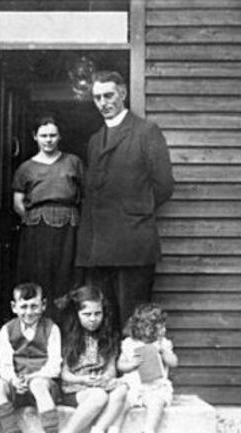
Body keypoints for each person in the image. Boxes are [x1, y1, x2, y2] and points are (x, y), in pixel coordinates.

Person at [75, 70, 175, 326]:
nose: (103, 103)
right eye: (97, 98)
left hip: (133, 243)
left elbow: (163, 184)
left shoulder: (145, 131)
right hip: (100, 245)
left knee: (134, 320)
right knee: (104, 318)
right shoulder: (95, 140)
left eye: (108, 95)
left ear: (122, 94)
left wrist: (136, 210)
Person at [12, 116, 84, 322]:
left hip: (68, 227)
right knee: (39, 274)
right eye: (44, 135)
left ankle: (65, 325)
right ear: (35, 137)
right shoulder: (26, 168)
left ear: (59, 136)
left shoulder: (73, 162)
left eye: (53, 135)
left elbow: (85, 195)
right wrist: (34, 219)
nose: (49, 140)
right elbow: (17, 203)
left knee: (66, 273)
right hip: (37, 228)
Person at [0, 282, 62, 433]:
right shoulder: (7, 329)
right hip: (18, 384)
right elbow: (5, 363)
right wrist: (12, 379)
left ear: (43, 305)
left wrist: (35, 377)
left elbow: (54, 365)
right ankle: (11, 430)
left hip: (43, 384)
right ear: (14, 307)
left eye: (34, 306)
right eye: (23, 307)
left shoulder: (51, 328)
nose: (29, 312)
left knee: (37, 385)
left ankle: (51, 430)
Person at [55, 286, 128, 433]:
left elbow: (111, 369)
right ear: (77, 314)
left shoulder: (109, 336)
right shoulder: (68, 338)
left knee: (122, 390)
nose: (93, 319)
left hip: (98, 385)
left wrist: (106, 378)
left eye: (98, 314)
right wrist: (83, 380)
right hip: (74, 388)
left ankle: (98, 429)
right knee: (99, 396)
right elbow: (65, 375)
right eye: (87, 314)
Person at [117, 304, 178, 433]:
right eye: (157, 327)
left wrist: (163, 352)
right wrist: (131, 364)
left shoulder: (163, 344)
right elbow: (120, 365)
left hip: (155, 387)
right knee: (121, 400)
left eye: (162, 326)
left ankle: (149, 429)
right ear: (140, 328)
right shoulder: (129, 343)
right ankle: (115, 428)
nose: (162, 330)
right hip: (134, 386)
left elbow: (174, 362)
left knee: (157, 403)